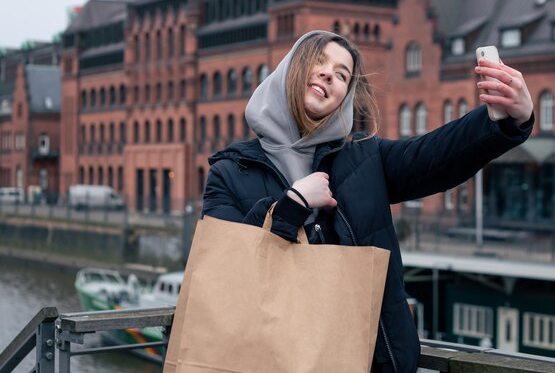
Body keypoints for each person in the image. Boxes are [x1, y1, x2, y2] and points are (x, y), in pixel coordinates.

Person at [202, 30, 534, 373]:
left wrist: (504, 119)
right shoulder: (230, 173)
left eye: (342, 75)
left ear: (345, 97)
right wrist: (294, 204)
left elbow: (434, 155)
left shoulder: (364, 160)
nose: (329, 74)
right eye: (318, 62)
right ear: (290, 70)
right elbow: (227, 277)